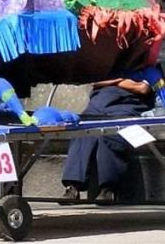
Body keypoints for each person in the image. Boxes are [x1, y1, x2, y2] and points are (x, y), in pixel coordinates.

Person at [59, 71, 155, 204]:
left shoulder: (148, 64)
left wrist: (112, 79)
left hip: (126, 106)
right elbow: (94, 81)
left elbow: (142, 88)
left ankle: (108, 189)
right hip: (98, 104)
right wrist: (123, 80)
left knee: (110, 134)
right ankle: (73, 187)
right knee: (82, 131)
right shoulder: (107, 60)